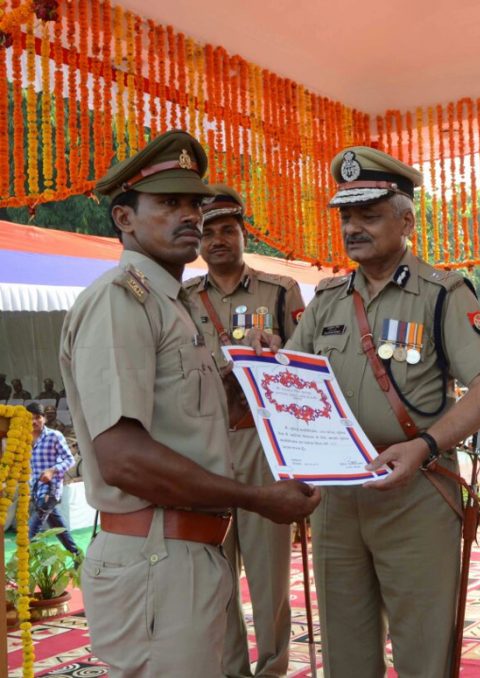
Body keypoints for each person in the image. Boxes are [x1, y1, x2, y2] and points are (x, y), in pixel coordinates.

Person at [59, 129, 320, 677]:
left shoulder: (171, 304)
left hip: (185, 553)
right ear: (124, 218)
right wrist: (254, 497)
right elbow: (124, 457)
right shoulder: (120, 299)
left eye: (194, 204)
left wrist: (259, 378)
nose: (190, 217)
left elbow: (200, 419)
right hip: (156, 554)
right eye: (168, 203)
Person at [265, 146, 480, 677]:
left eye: (369, 214)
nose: (353, 227)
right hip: (337, 498)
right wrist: (267, 356)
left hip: (416, 492)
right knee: (345, 656)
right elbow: (292, 378)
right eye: (346, 216)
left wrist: (424, 446)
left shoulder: (441, 294)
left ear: (406, 219)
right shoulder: (328, 300)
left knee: (423, 652)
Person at [184, 184, 305, 678]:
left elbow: (307, 367)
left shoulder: (279, 292)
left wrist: (276, 351)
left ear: (242, 233)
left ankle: (273, 667)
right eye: (207, 231)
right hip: (204, 446)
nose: (217, 240)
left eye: (227, 230)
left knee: (268, 571)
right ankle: (231, 670)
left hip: (261, 443)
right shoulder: (183, 297)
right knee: (215, 572)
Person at [25, 401, 80, 557]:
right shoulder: (24, 439)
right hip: (35, 490)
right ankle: (77, 555)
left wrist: (52, 470)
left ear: (44, 419)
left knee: (31, 530)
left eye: (37, 417)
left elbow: (69, 459)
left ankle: (26, 568)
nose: (34, 421)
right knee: (58, 527)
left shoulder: (55, 436)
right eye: (30, 418)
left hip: (51, 490)